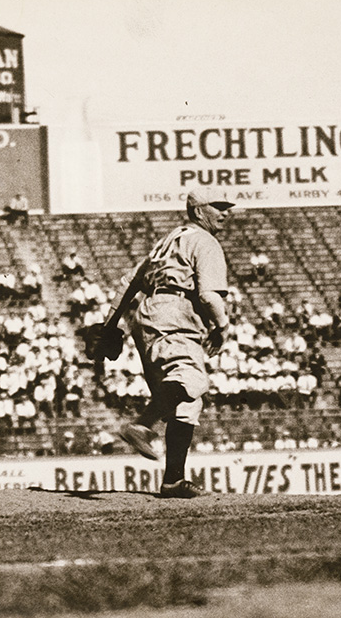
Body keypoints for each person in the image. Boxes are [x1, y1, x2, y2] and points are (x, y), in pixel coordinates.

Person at [91, 187, 235, 498]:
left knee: (185, 402)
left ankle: (173, 480)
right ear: (198, 211)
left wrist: (110, 325)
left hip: (149, 314)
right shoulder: (205, 241)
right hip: (175, 312)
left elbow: (130, 281)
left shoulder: (168, 240)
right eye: (218, 207)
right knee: (192, 380)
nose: (225, 213)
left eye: (226, 207)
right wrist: (223, 325)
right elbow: (209, 295)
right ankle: (142, 425)